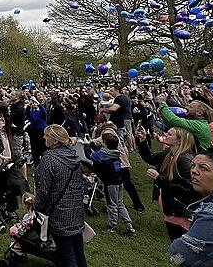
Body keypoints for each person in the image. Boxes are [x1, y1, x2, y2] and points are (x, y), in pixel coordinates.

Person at [32, 124, 87, 267]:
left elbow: (43, 191)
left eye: (47, 135)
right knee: (78, 251)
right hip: (76, 211)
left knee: (67, 255)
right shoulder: (73, 155)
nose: (44, 137)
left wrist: (35, 206)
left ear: (55, 141)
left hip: (60, 214)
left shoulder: (49, 159)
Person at [136, 126, 199, 241]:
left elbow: (189, 189)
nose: (165, 134)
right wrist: (143, 140)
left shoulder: (185, 160)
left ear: (179, 141)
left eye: (169, 134)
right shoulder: (169, 154)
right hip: (171, 209)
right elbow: (151, 158)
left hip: (181, 211)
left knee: (182, 243)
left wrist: (159, 178)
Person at [90, 133, 135, 236]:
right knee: (120, 204)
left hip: (110, 183)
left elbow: (91, 154)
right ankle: (129, 226)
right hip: (119, 182)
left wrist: (90, 144)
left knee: (111, 204)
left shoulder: (103, 154)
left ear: (105, 144)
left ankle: (112, 226)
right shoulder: (115, 153)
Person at [26, 98, 48, 165]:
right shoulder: (32, 112)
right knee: (34, 147)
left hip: (42, 131)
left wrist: (37, 102)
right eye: (33, 103)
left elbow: (44, 112)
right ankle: (36, 162)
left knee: (43, 146)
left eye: (35, 103)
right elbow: (28, 114)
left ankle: (44, 161)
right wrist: (29, 105)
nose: (34, 104)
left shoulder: (42, 112)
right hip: (34, 131)